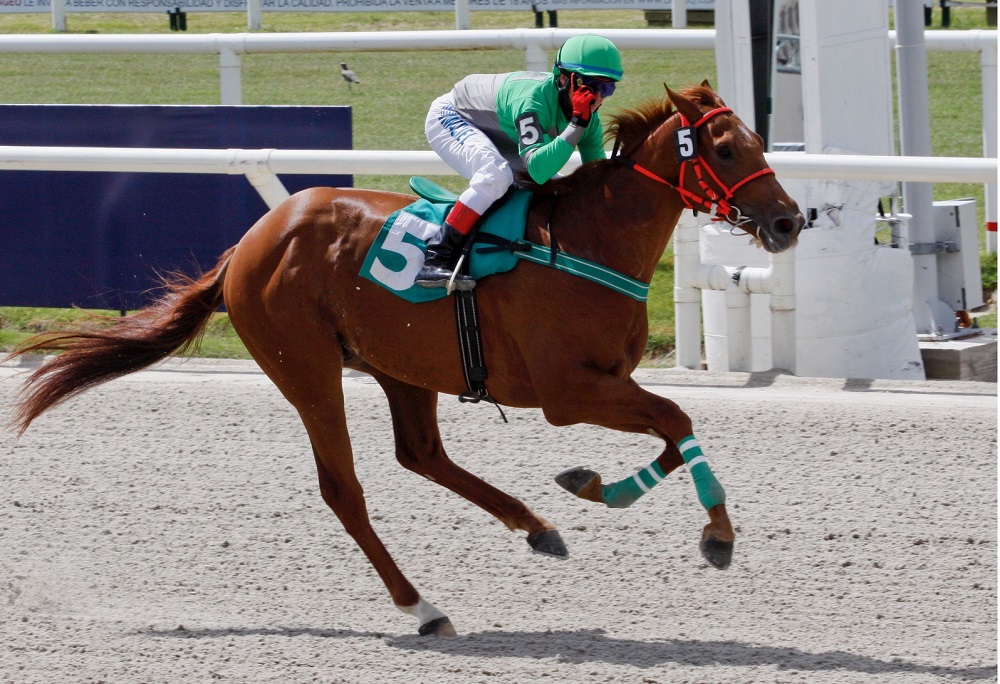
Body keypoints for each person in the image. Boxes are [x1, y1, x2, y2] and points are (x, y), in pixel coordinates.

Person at [417, 34, 623, 290]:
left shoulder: (589, 120)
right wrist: (576, 125)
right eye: (590, 85)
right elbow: (538, 170)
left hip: (502, 133)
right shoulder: (533, 100)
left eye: (607, 88)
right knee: (495, 176)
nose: (597, 97)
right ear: (564, 78)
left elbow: (595, 178)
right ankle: (437, 257)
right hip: (453, 116)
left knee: (558, 188)